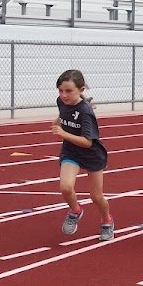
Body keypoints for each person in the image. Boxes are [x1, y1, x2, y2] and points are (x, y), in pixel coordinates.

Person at [53, 70, 114, 241]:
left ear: (80, 89)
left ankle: (107, 220)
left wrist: (63, 133)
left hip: (91, 155)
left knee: (96, 196)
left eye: (68, 91)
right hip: (71, 152)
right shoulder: (61, 102)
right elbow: (64, 114)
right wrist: (58, 121)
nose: (63, 95)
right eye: (60, 91)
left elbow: (88, 142)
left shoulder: (86, 112)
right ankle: (75, 210)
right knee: (65, 187)